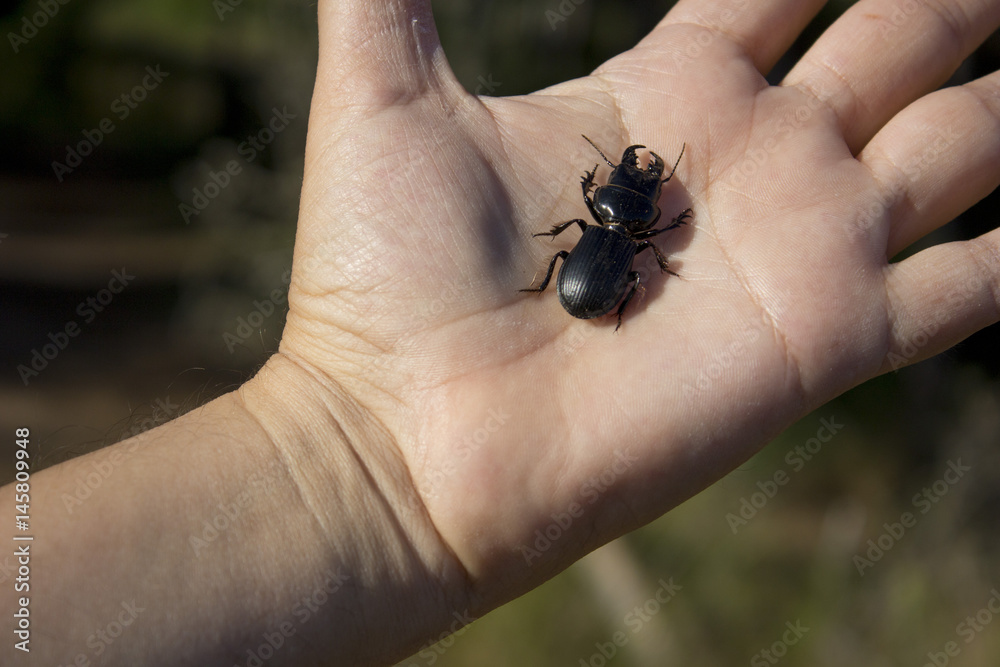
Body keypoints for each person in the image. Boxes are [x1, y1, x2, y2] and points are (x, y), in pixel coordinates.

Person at [4, 0, 1000, 664]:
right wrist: (352, 451)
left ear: (618, 201)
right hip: (597, 282)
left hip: (587, 278)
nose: (636, 182)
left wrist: (350, 462)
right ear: (624, 200)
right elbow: (645, 239)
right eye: (631, 178)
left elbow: (628, 228)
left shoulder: (611, 219)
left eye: (636, 182)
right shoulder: (638, 230)